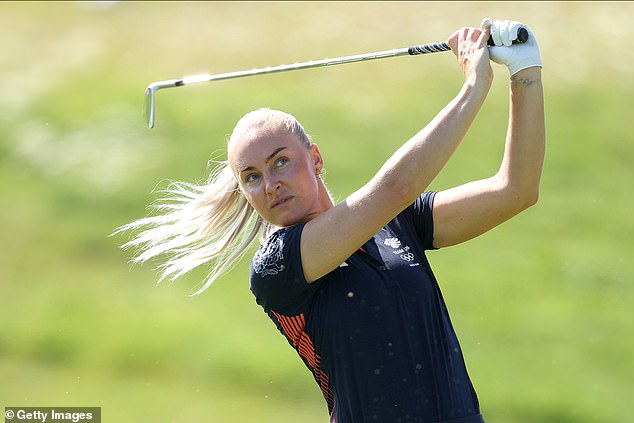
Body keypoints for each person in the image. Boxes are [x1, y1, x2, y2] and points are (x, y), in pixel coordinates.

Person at [117, 18, 544, 423]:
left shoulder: (399, 222)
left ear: (315, 159)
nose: (269, 184)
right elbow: (396, 187)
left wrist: (525, 72)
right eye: (252, 177)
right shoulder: (277, 267)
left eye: (280, 162)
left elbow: (516, 191)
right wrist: (473, 85)